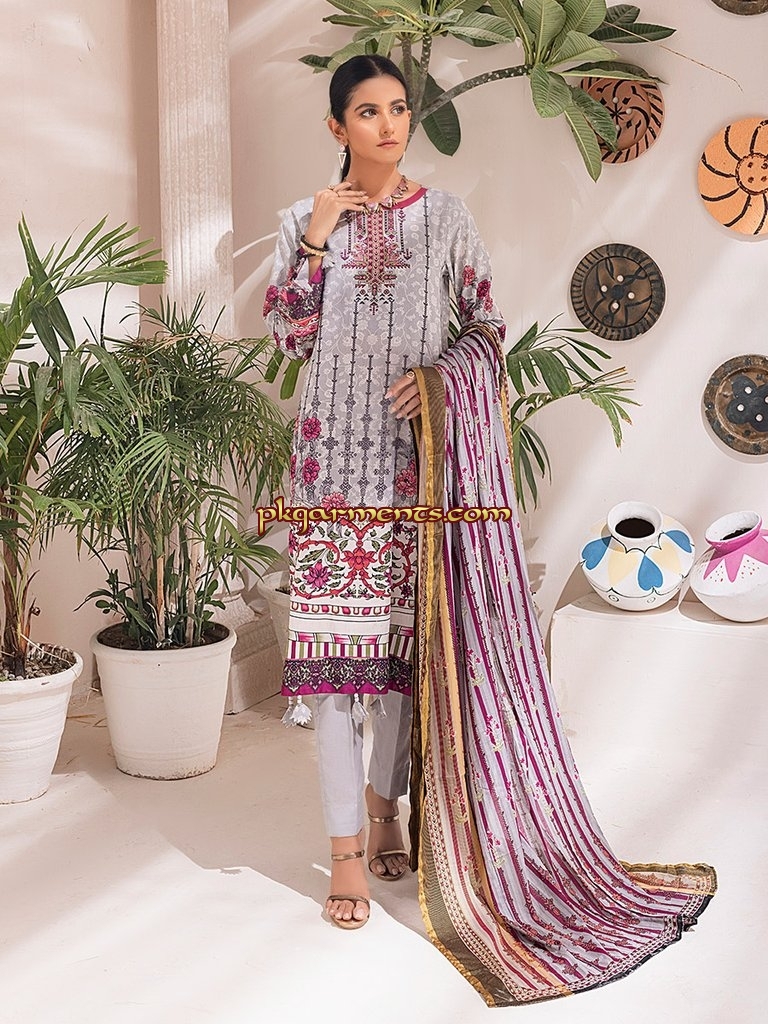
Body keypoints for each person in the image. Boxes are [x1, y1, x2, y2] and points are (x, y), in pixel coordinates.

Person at [263, 54, 716, 1004]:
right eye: (367, 112)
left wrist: (440, 384)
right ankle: (342, 853)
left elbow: (486, 331)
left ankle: (385, 813)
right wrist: (315, 238)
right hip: (329, 476)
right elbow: (287, 337)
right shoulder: (305, 222)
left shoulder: (447, 219)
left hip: (418, 473)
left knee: (401, 663)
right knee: (335, 671)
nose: (389, 124)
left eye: (398, 108)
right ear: (337, 127)